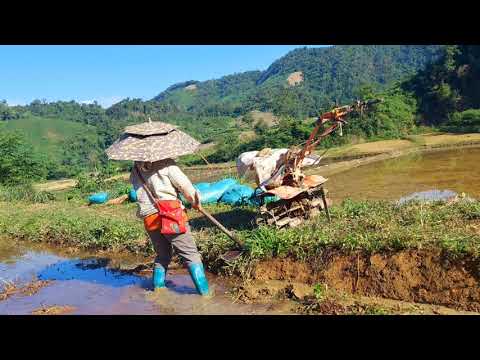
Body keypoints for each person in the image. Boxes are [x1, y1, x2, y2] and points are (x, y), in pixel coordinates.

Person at [130, 158, 209, 296]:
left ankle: (158, 291)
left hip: (150, 218)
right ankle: (205, 295)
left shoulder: (135, 170)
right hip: (171, 215)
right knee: (191, 255)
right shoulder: (166, 163)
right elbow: (185, 187)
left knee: (163, 255)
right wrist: (196, 202)